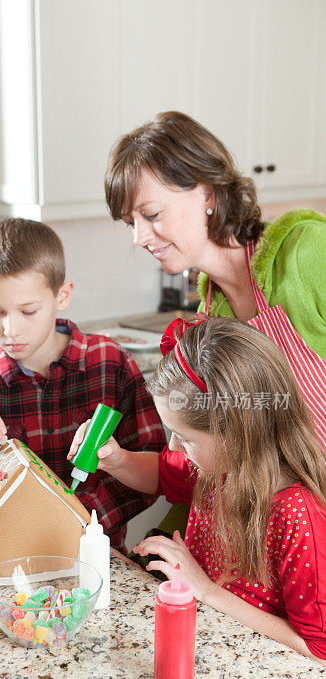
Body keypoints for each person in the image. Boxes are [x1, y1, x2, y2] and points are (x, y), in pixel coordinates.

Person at [68, 317, 326, 660]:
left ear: (236, 433)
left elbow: (316, 647)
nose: (173, 447)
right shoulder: (219, 468)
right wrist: (116, 459)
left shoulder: (298, 514)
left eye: (185, 438)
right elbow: (161, 473)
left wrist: (203, 589)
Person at [0, 217, 166, 550]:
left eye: (28, 311)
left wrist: (79, 520)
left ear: (62, 296)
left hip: (94, 563)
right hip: (3, 564)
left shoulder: (110, 363)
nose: (10, 329)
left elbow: (157, 475)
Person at [105, 110, 326, 450]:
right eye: (130, 222)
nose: (139, 237)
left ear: (206, 193)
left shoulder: (307, 250)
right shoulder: (212, 313)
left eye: (150, 215)